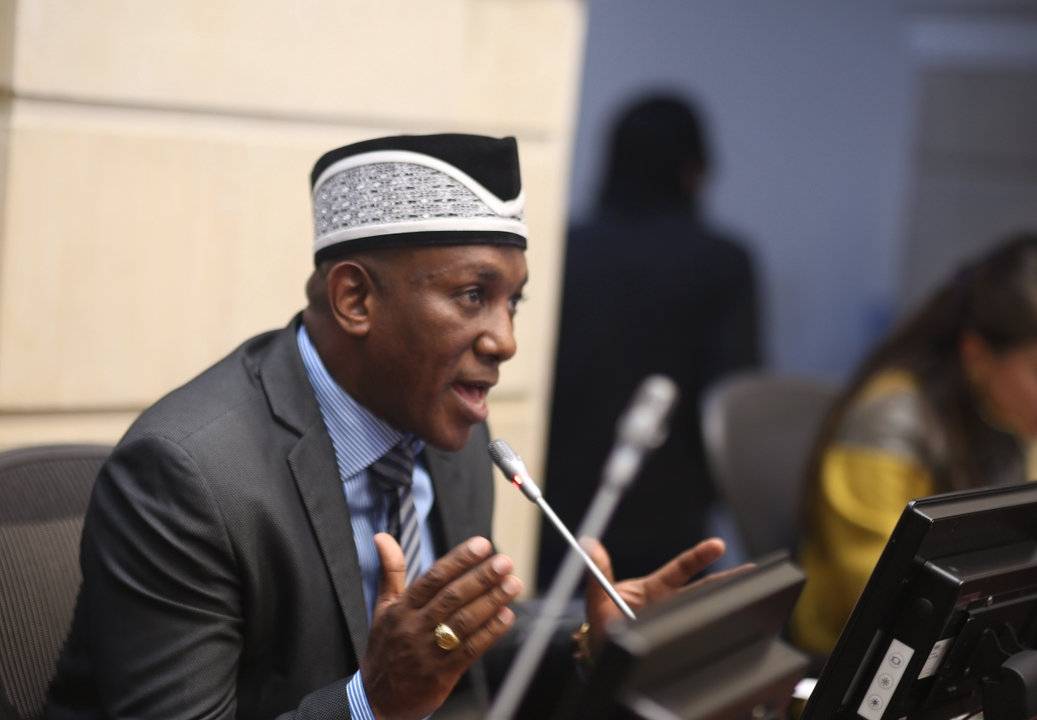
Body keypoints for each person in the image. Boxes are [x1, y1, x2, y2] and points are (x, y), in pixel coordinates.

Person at [44, 133, 728, 720]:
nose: (505, 340)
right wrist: (373, 702)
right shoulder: (187, 475)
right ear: (355, 299)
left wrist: (594, 643)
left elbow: (450, 649)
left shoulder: (446, 427)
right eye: (473, 295)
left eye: (512, 302)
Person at [540, 95, 760, 587]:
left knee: (560, 628)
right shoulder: (721, 261)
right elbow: (732, 393)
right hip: (669, 520)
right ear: (692, 169)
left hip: (559, 514)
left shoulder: (564, 249)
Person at [791, 232, 1037, 657]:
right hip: (850, 670)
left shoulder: (1008, 417)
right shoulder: (887, 426)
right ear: (976, 355)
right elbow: (886, 607)